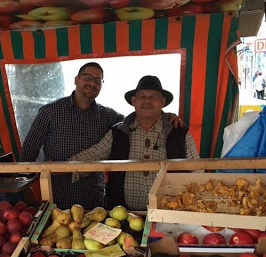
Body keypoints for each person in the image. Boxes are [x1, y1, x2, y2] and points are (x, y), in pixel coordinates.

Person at [19, 62, 182, 209]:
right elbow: (29, 150)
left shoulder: (109, 116)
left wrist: (163, 116)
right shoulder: (49, 112)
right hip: (58, 193)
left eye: (98, 80)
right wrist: (27, 187)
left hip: (94, 196)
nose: (92, 83)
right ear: (76, 79)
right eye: (87, 77)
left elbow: (140, 121)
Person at [70, 75, 199, 210]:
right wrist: (64, 167)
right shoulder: (119, 132)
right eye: (142, 96)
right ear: (134, 101)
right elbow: (94, 153)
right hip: (124, 215)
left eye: (153, 97)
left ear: (162, 102)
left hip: (170, 214)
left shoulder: (179, 131)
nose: (147, 101)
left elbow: (197, 169)